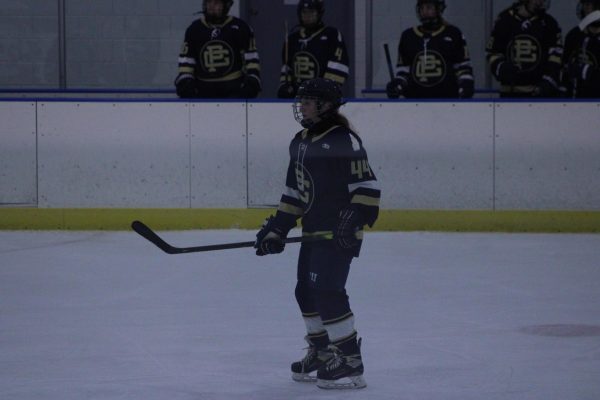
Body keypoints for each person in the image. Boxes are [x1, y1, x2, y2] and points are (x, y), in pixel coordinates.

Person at [254, 78, 380, 389]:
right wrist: (278, 229)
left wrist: (352, 219)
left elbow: (367, 187)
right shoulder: (299, 140)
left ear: (326, 105)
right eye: (302, 100)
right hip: (313, 233)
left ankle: (350, 359)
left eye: (309, 101)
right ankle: (323, 351)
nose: (303, 106)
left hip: (339, 234)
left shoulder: (343, 140)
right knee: (305, 292)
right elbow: (295, 192)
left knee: (328, 291)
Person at [386, 0, 474, 99]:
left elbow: (463, 68)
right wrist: (398, 84)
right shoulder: (408, 36)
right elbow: (404, 72)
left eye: (429, 7)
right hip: (414, 103)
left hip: (447, 101)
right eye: (422, 8)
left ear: (439, 9)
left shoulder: (453, 34)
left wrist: (466, 84)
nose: (424, 11)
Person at [175, 0, 261, 98]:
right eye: (209, 2)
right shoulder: (194, 29)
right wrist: (185, 80)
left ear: (226, 5)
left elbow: (251, 61)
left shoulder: (241, 28)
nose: (211, 6)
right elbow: (186, 62)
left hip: (233, 89)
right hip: (203, 90)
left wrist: (252, 80)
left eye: (216, 3)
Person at [486, 0, 563, 98]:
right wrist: (501, 68)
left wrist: (549, 81)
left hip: (539, 94)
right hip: (510, 94)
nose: (540, 2)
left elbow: (556, 56)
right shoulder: (504, 20)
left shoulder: (549, 23)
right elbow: (493, 53)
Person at [277, 0, 350, 99]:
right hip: (298, 99)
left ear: (319, 13)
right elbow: (287, 68)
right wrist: (286, 86)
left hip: (324, 99)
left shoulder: (332, 35)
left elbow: (339, 66)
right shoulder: (292, 39)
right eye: (304, 12)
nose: (307, 16)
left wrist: (324, 89)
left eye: (312, 12)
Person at [563, 0, 600, 98]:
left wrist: (587, 72)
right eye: (585, 4)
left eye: (591, 5)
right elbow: (564, 66)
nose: (587, 8)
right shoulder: (574, 35)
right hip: (576, 100)